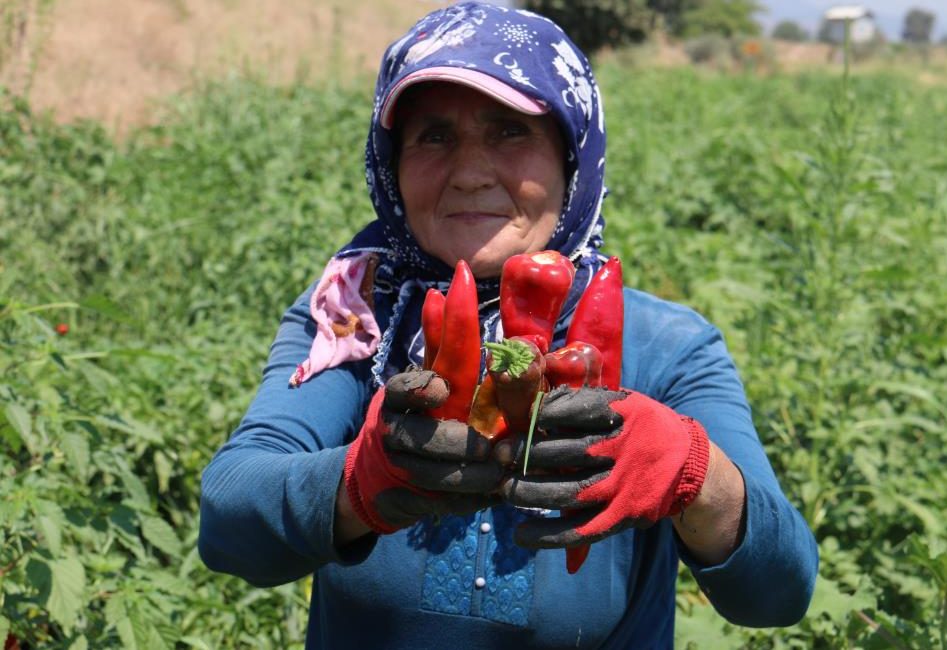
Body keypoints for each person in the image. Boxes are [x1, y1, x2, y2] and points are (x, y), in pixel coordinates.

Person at [198, 2, 819, 647]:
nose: (469, 173)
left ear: (570, 159)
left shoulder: (668, 349)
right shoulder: (353, 320)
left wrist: (696, 476)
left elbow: (779, 591)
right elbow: (229, 522)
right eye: (433, 136)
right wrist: (358, 485)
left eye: (510, 132)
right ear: (393, 166)